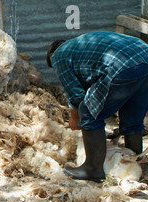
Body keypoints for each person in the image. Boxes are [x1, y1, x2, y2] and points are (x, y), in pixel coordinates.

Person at [47, 31, 148, 182]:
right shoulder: (84, 46)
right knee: (132, 120)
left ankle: (92, 169)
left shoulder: (59, 56)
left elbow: (76, 95)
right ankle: (135, 162)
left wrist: (76, 119)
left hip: (121, 66)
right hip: (144, 58)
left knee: (87, 112)